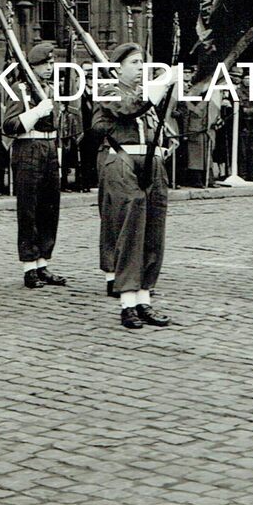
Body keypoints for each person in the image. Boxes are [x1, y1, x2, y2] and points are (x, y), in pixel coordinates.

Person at [93, 42, 177, 328]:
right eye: (134, 62)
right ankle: (127, 303)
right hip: (122, 162)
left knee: (154, 232)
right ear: (118, 68)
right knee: (130, 231)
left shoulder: (146, 93)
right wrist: (159, 87)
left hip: (152, 163)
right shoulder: (108, 90)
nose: (141, 67)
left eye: (142, 62)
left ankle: (144, 299)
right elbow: (128, 109)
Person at [1, 42, 66, 289]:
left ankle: (42, 262)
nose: (49, 68)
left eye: (51, 63)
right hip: (28, 148)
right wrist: (37, 112)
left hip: (49, 148)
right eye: (44, 64)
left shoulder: (50, 89)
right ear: (32, 66)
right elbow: (9, 125)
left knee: (49, 208)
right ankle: (29, 266)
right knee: (29, 209)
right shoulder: (20, 90)